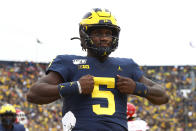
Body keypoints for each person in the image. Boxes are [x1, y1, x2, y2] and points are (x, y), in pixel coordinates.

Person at [27, 8, 169, 131]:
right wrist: (75, 86)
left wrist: (137, 88)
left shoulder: (128, 65)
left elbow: (163, 96)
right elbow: (34, 93)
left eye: (108, 33)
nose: (104, 38)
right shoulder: (68, 62)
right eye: (98, 33)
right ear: (84, 35)